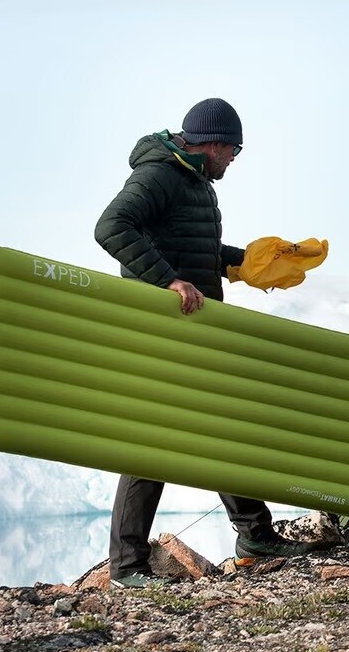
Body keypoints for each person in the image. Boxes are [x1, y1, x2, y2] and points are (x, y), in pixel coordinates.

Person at [94, 97, 311, 587]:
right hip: (158, 331)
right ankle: (127, 567)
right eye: (234, 148)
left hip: (192, 329)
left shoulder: (191, 180)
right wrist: (168, 281)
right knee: (151, 443)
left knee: (223, 428)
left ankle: (255, 535)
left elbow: (191, 248)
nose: (235, 157)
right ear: (213, 142)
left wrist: (246, 265)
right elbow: (111, 227)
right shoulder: (159, 175)